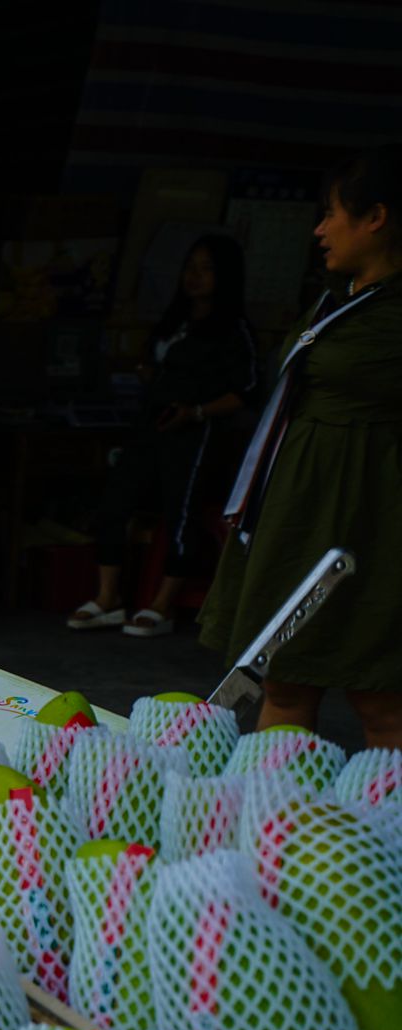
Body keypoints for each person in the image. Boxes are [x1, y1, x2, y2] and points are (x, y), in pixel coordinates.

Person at [201, 144, 402, 750]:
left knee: (381, 697)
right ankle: (273, 828)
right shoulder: (334, 297)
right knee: (284, 683)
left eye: (331, 213)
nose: (318, 229)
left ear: (376, 218)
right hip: (302, 509)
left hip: (374, 516)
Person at [67, 235, 259, 636]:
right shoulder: (174, 321)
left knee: (181, 512)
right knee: (115, 502)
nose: (195, 277)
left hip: (193, 433)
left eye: (206, 269)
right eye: (191, 267)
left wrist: (196, 411)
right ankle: (108, 598)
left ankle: (162, 605)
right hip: (150, 425)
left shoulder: (233, 331)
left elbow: (246, 392)